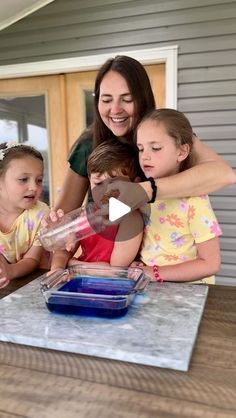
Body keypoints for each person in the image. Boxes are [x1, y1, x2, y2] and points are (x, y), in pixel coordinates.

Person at [49, 55, 235, 221]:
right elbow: (63, 215)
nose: (115, 109)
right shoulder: (88, 143)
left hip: (165, 251)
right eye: (106, 100)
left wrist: (146, 190)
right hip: (109, 254)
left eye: (127, 99)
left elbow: (224, 174)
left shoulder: (165, 131)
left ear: (143, 98)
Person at [132, 109, 222, 284]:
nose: (145, 156)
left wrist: (154, 273)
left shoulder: (194, 200)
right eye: (141, 148)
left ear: (181, 152)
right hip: (153, 290)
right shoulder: (143, 193)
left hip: (190, 295)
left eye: (155, 148)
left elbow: (211, 263)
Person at [49, 139, 143, 272]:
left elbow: (116, 269)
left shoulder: (131, 218)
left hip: (111, 285)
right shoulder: (87, 214)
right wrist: (57, 268)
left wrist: (73, 265)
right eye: (98, 184)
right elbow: (64, 249)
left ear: (135, 184)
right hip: (82, 279)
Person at [0, 143, 50, 288]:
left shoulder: (41, 214)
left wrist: (10, 271)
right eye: (23, 179)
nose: (34, 187)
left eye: (39, 180)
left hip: (37, 283)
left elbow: (32, 259)